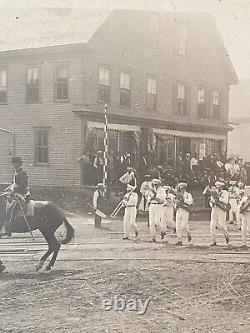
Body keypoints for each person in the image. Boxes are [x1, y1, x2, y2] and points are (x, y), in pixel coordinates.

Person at [0, 157, 31, 237]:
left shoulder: (23, 173)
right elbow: (15, 183)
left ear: (19, 163)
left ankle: (9, 229)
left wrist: (13, 189)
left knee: (11, 209)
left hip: (23, 194)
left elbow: (24, 186)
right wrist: (8, 188)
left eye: (15, 163)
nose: (13, 165)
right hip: (16, 193)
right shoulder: (16, 172)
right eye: (13, 163)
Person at [209, 181, 230, 246]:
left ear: (222, 187)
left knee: (221, 225)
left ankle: (227, 236)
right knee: (212, 225)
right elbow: (210, 201)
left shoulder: (225, 192)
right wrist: (212, 203)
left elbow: (226, 201)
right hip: (214, 209)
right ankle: (214, 241)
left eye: (219, 187)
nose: (218, 188)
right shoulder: (213, 192)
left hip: (221, 209)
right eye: (217, 186)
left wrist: (218, 198)